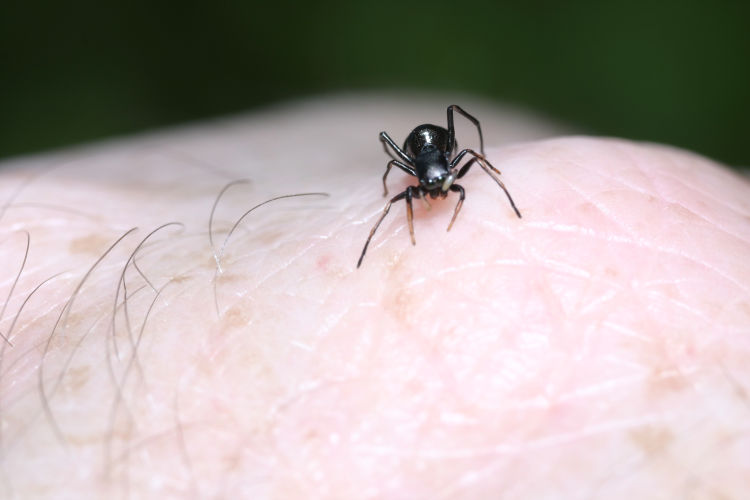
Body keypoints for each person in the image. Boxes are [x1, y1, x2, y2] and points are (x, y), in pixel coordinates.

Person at [1, 96, 748, 498]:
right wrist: (378, 228)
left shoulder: (461, 160)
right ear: (416, 175)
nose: (434, 190)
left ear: (448, 167)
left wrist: (513, 203)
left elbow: (476, 149)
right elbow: (398, 168)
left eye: (436, 181)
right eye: (426, 182)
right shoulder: (408, 179)